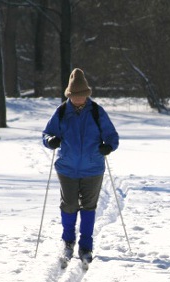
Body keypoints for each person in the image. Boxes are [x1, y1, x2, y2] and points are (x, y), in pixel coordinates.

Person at [42, 68, 119, 266]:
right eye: (76, 96)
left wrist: (108, 146)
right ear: (70, 95)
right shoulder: (61, 112)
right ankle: (67, 242)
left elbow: (112, 135)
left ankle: (86, 246)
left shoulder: (96, 111)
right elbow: (46, 133)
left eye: (83, 96)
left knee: (88, 206)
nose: (79, 100)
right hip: (67, 168)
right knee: (68, 205)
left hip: (93, 168)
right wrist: (51, 140)